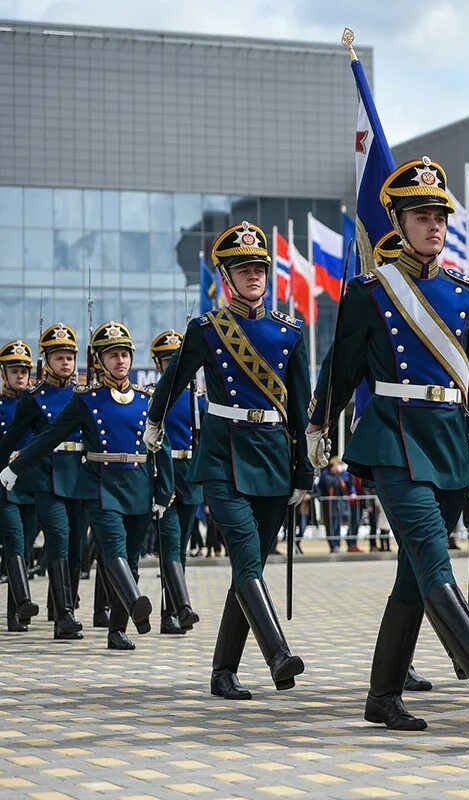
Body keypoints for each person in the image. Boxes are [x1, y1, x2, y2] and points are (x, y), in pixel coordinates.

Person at [307, 156, 469, 732]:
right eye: (420, 216)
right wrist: (318, 425)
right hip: (393, 439)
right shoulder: (370, 292)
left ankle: (382, 696)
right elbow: (340, 367)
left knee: (412, 576)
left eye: (439, 216)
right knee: (430, 552)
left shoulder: (465, 293)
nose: (433, 226)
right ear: (396, 223)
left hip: (450, 441)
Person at [145, 221, 311, 699]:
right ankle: (278, 652)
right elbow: (172, 380)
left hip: (274, 458)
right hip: (223, 457)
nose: (254, 275)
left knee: (250, 565)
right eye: (243, 269)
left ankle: (223, 671)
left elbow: (298, 408)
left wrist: (304, 470)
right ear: (226, 277)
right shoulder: (208, 329)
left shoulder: (288, 332)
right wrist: (155, 422)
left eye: (259, 267)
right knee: (245, 554)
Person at [3, 322, 172, 650]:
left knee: (127, 555)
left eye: (125, 354)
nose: (120, 361)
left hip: (131, 484)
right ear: (99, 360)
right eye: (112, 355)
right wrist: (12, 467)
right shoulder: (84, 400)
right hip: (86, 482)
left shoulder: (145, 399)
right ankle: (70, 612)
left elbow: (158, 444)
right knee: (87, 546)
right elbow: (47, 437)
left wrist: (164, 490)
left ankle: (117, 628)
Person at [0, 323, 89, 639]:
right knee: (58, 539)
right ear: (47, 361)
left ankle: (63, 606)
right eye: (59, 357)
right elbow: (9, 442)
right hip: (45, 479)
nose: (65, 363)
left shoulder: (84, 395)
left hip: (79, 479)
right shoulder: (34, 398)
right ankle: (63, 617)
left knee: (77, 547)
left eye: (69, 357)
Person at [150, 329, 205, 635]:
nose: (174, 366)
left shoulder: (198, 400)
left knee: (181, 547)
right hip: (165, 477)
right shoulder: (154, 395)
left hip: (190, 477)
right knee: (170, 546)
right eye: (168, 361)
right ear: (159, 365)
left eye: (179, 361)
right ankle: (175, 611)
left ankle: (170, 610)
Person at [0, 340, 40, 632]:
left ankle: (17, 610)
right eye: (14, 371)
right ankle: (19, 608)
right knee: (14, 541)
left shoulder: (37, 403)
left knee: (25, 545)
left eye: (24, 371)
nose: (20, 376)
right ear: (4, 373)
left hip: (33, 481)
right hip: (4, 484)